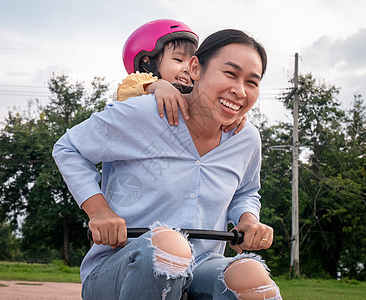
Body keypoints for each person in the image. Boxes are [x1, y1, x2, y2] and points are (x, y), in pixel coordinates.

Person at [53, 28, 281, 299]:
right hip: (119, 268)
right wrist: (99, 211)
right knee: (168, 247)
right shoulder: (145, 112)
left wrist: (248, 220)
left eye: (252, 82)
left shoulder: (246, 139)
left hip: (201, 267)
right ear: (195, 68)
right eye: (230, 74)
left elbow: (245, 192)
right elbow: (69, 148)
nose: (239, 90)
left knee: (251, 277)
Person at [116, 19, 246, 133]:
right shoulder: (137, 87)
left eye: (191, 63)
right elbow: (125, 91)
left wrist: (231, 113)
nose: (187, 69)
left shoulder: (192, 96)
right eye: (178, 60)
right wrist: (157, 86)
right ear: (147, 62)